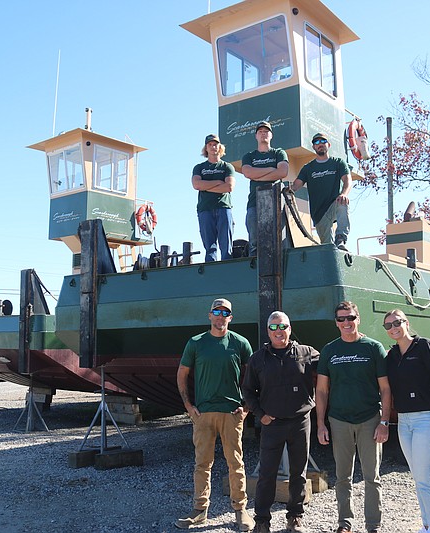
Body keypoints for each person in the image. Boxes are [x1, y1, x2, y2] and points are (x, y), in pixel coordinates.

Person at [175, 298, 256, 532]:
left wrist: (247, 408)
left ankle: (241, 511)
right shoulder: (196, 343)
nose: (221, 316)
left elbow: (251, 379)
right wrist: (189, 407)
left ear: (231, 317)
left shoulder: (240, 344)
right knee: (202, 463)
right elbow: (182, 375)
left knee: (235, 463)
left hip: (232, 414)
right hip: (204, 414)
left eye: (226, 312)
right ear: (209, 315)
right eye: (217, 312)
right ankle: (200, 510)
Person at [316, 301, 391, 533]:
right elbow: (321, 390)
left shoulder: (373, 348)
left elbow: (386, 389)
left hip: (369, 419)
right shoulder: (330, 350)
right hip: (339, 420)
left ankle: (373, 525)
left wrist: (384, 422)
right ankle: (344, 523)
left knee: (372, 476)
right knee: (343, 477)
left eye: (350, 318)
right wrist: (320, 424)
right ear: (336, 323)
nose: (346, 323)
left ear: (357, 319)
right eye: (341, 319)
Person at [241, 311, 319, 533]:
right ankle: (262, 521)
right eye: (273, 328)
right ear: (268, 331)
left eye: (282, 327)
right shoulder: (258, 359)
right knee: (267, 474)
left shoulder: (306, 353)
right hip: (272, 424)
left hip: (300, 422)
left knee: (298, 473)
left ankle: (295, 516)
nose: (278, 331)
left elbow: (330, 365)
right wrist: (260, 414)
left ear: (290, 328)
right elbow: (248, 390)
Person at [383, 309, 430, 533]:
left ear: (406, 323)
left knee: (425, 478)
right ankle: (427, 525)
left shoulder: (424, 347)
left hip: (427, 420)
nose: (393, 328)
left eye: (397, 323)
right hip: (404, 422)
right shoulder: (391, 356)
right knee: (417, 477)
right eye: (388, 325)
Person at [291, 132, 354, 251]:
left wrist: (344, 194)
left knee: (343, 202)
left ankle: (341, 239)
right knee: (327, 248)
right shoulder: (308, 168)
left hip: (334, 205)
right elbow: (296, 185)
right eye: (316, 142)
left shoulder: (338, 163)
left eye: (323, 142)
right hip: (319, 214)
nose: (320, 144)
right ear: (314, 147)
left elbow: (347, 179)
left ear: (328, 145)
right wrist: (287, 190)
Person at [241, 121, 289, 256]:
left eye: (266, 131)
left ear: (271, 135)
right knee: (254, 241)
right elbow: (248, 173)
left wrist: (257, 175)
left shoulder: (279, 153)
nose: (263, 134)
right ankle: (254, 269)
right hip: (254, 203)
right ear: (256, 136)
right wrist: (270, 170)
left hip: (276, 202)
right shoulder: (249, 156)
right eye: (260, 131)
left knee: (279, 240)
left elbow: (283, 172)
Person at [192, 134, 236, 262]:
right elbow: (196, 184)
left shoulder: (227, 167)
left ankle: (227, 267)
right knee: (209, 247)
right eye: (210, 144)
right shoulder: (199, 168)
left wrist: (206, 187)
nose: (213, 147)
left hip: (223, 208)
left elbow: (228, 187)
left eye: (215, 144)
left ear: (220, 147)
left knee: (226, 244)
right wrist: (218, 182)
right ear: (206, 148)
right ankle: (211, 268)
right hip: (205, 209)